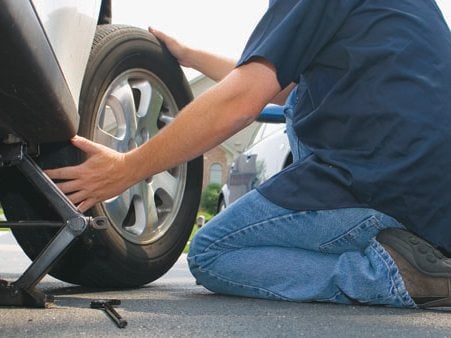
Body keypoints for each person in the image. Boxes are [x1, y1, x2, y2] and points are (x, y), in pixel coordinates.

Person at [47, 1, 451, 308]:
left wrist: (126, 168)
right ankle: (421, 257)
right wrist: (188, 56)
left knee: (213, 253)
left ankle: (390, 275)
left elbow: (244, 99)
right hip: (429, 188)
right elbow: (280, 85)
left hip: (380, 177)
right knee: (302, 102)